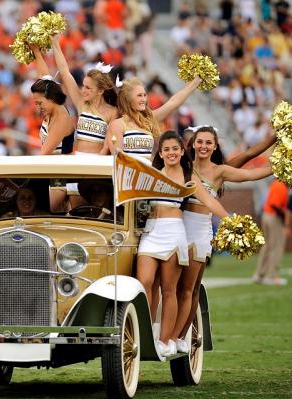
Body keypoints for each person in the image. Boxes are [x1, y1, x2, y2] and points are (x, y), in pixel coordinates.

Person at [171, 125, 275, 352]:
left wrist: (279, 165)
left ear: (215, 146)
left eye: (208, 143)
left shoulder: (220, 171)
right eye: (200, 142)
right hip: (177, 228)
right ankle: (169, 334)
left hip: (199, 231)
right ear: (192, 144)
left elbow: (250, 173)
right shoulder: (182, 166)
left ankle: (180, 337)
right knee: (172, 287)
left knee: (190, 289)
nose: (204, 146)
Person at [136, 131, 229, 357]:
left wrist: (230, 219)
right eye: (166, 149)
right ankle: (145, 332)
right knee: (144, 283)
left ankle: (165, 340)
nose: (171, 153)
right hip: (151, 231)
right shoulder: (152, 172)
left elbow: (209, 201)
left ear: (181, 151)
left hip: (175, 233)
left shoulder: (189, 177)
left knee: (170, 290)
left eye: (175, 149)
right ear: (160, 153)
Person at [51, 34, 119, 155]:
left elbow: (110, 145)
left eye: (88, 88)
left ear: (100, 91)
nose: (83, 90)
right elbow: (65, 72)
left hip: (98, 162)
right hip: (79, 160)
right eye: (83, 86)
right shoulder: (81, 103)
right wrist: (55, 43)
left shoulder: (112, 112)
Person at [104, 76, 202, 159]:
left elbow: (173, 103)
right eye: (139, 96)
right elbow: (118, 159)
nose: (144, 99)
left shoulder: (149, 120)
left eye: (144, 95)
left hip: (147, 176)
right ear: (128, 99)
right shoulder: (117, 124)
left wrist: (194, 83)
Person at [28, 44, 75, 155]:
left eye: (40, 103)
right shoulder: (52, 108)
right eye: (36, 104)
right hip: (52, 167)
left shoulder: (61, 119)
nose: (38, 107)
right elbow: (44, 75)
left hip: (61, 170)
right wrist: (36, 51)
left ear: (51, 97)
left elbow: (44, 153)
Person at [254, 179, 290, 285]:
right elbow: (275, 204)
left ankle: (260, 274)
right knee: (276, 246)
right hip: (273, 217)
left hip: (266, 215)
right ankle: (270, 276)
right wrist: (285, 215)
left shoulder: (275, 183)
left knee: (268, 246)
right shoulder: (281, 186)